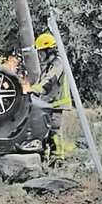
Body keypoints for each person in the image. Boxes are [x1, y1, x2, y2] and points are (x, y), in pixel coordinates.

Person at [30, 32, 71, 166]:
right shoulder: (49, 64)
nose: (40, 56)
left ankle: (58, 160)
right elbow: (41, 81)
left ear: (49, 50)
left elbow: (50, 80)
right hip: (48, 103)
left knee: (54, 131)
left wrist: (36, 90)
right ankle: (45, 158)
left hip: (57, 103)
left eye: (41, 52)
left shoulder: (58, 63)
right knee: (44, 131)